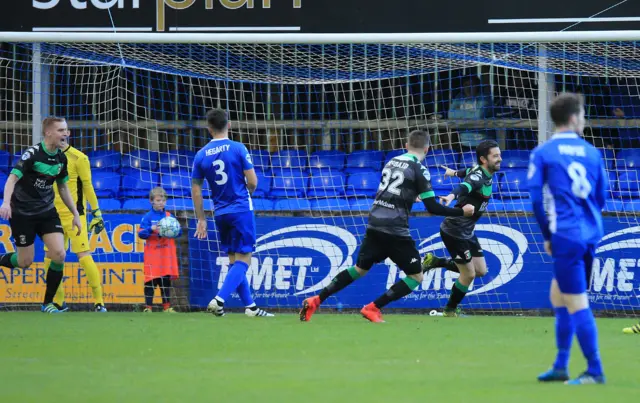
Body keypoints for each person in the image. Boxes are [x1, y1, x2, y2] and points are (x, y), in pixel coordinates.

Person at [300, 130, 474, 323]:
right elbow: (432, 207)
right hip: (395, 229)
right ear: (427, 149)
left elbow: (392, 191)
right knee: (416, 276)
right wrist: (462, 212)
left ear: (406, 146)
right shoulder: (420, 169)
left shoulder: (392, 161)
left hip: (375, 222)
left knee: (359, 269)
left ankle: (317, 299)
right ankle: (372, 308)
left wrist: (410, 197)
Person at [528, 93, 607, 385]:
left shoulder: (544, 152)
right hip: (590, 233)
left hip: (566, 235)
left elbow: (536, 200)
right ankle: (561, 364)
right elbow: (601, 196)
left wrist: (548, 235)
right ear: (574, 118)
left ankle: (595, 370)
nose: (583, 120)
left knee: (576, 302)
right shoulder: (592, 152)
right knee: (558, 295)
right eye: (583, 114)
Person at [191, 108, 273, 318]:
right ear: (229, 124)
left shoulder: (200, 155)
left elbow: (196, 190)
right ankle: (219, 300)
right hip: (241, 209)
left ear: (209, 129)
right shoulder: (238, 148)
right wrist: (249, 192)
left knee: (233, 261)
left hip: (220, 213)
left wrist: (201, 218)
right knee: (244, 259)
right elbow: (253, 181)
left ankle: (251, 308)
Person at [0, 117, 82, 314]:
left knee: (59, 254)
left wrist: (75, 213)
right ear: (48, 133)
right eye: (61, 130)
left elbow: (62, 187)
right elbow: (12, 179)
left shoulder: (61, 158)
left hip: (46, 212)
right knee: (24, 262)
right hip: (22, 214)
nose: (66, 134)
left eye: (67, 130)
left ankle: (48, 303)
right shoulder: (33, 155)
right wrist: (5, 202)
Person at [421, 140, 501, 317]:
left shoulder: (482, 170)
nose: (499, 159)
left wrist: (454, 172)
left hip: (467, 230)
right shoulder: (478, 177)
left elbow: (467, 172)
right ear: (483, 159)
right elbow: (465, 186)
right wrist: (451, 195)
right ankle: (449, 311)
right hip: (454, 230)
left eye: (499, 155)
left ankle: (436, 262)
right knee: (469, 274)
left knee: (481, 271)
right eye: (495, 156)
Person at [44, 139, 107, 312]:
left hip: (75, 216)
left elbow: (87, 186)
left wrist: (96, 212)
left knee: (83, 255)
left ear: (66, 134)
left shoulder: (79, 158)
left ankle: (99, 301)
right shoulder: (45, 157)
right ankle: (58, 302)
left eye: (63, 131)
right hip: (52, 216)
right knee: (50, 258)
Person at [138, 187, 180, 313]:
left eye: (163, 200)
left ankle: (167, 307)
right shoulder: (148, 217)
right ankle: (148, 307)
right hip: (153, 255)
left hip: (166, 255)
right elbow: (141, 234)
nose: (161, 202)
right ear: (151, 201)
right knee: (150, 281)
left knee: (165, 282)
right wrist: (152, 229)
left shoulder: (169, 217)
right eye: (158, 200)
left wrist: (172, 232)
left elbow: (179, 231)